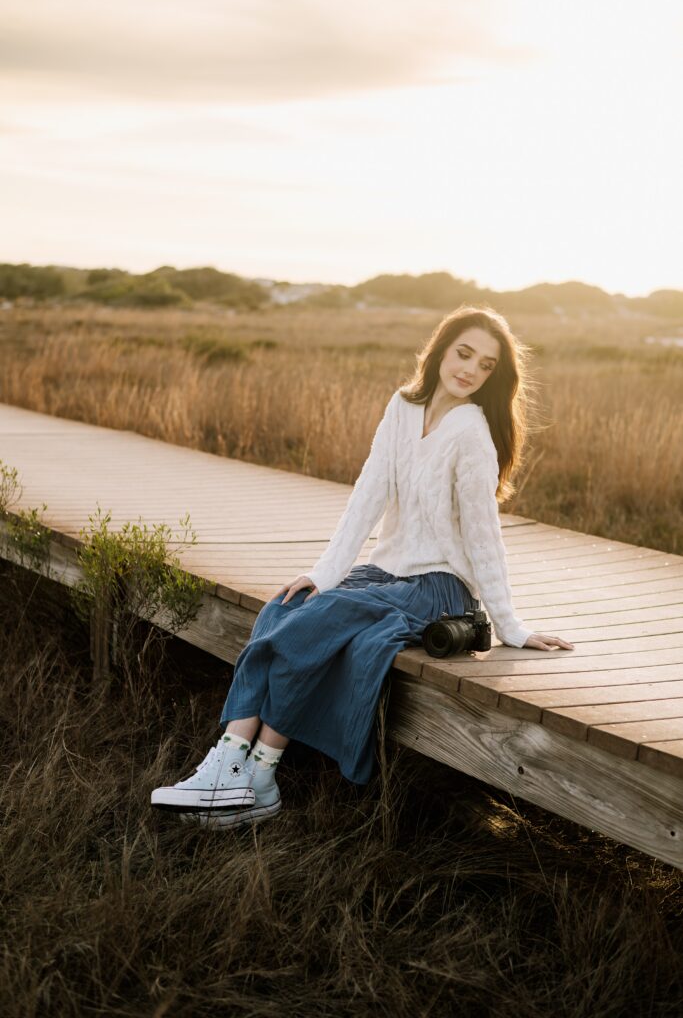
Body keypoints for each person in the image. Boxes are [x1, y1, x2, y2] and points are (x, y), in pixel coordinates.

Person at [151, 305, 574, 829]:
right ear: (441, 349)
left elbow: (484, 536)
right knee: (287, 608)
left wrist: (511, 626)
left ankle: (242, 769)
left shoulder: (472, 434)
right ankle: (249, 779)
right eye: (464, 353)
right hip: (386, 574)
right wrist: (324, 573)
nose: (469, 369)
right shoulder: (402, 407)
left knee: (308, 631)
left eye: (485, 365)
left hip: (437, 588)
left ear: (493, 376)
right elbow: (368, 493)